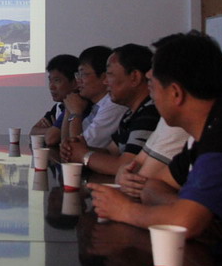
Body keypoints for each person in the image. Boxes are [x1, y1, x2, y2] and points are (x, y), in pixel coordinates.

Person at [89, 31, 222, 266]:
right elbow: (152, 186)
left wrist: (124, 210)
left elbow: (185, 224)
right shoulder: (209, 130)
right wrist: (183, 209)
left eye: (152, 85)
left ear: (175, 93)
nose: (150, 95)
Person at [61, 44, 159, 175]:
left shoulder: (150, 113)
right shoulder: (130, 114)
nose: (106, 82)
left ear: (135, 77)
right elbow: (111, 152)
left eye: (110, 74)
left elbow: (126, 166)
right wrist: (77, 148)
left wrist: (83, 155)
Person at [60, 46, 127, 146]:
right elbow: (64, 143)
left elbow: (77, 148)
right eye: (78, 75)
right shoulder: (96, 106)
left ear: (104, 77)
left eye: (83, 74)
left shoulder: (113, 105)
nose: (78, 80)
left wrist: (76, 113)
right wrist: (69, 110)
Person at [114, 117, 188, 199]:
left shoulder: (179, 123)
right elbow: (134, 165)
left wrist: (124, 180)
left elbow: (142, 183)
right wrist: (122, 173)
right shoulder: (165, 120)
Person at [30, 54, 79, 146]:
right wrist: (52, 129)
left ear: (75, 82)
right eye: (50, 80)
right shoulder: (58, 107)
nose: (51, 86)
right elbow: (33, 132)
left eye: (57, 80)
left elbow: (51, 138)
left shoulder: (79, 106)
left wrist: (53, 130)